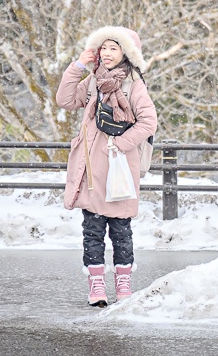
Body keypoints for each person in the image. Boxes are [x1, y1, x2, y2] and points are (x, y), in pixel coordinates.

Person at [56, 26, 157, 307]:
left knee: (121, 230)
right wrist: (78, 66)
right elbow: (65, 100)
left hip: (120, 166)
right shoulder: (93, 81)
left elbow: (149, 122)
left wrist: (121, 143)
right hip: (90, 167)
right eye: (104, 47)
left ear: (126, 53)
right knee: (93, 229)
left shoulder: (134, 84)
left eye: (114, 48)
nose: (108, 53)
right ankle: (97, 284)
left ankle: (123, 283)